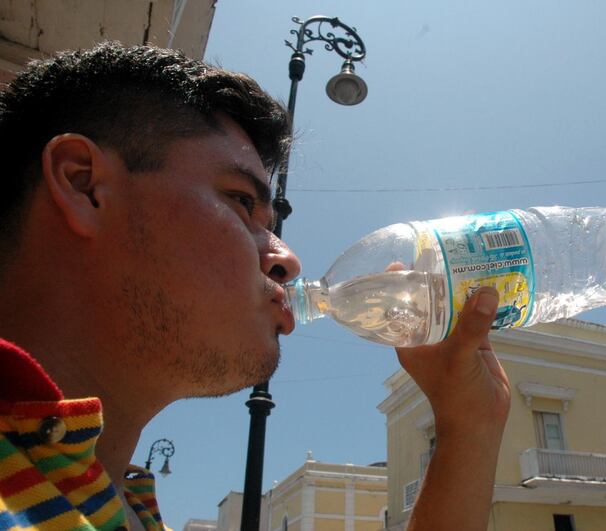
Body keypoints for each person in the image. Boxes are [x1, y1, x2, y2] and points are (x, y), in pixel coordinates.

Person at [0, 42, 510, 531]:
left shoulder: (121, 506)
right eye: (242, 201)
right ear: (85, 183)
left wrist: (468, 426)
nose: (287, 259)